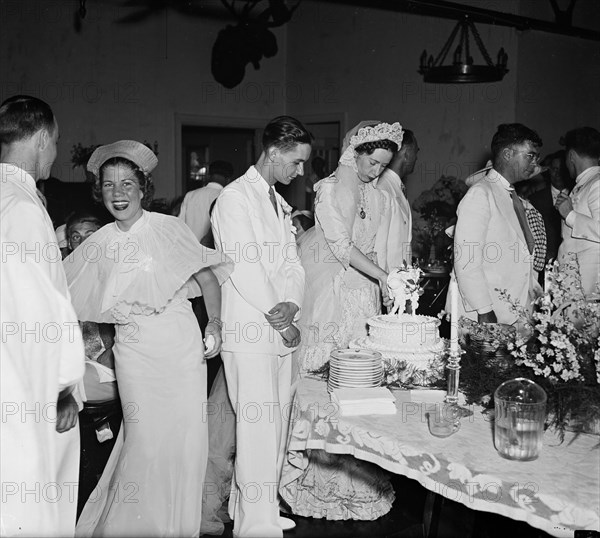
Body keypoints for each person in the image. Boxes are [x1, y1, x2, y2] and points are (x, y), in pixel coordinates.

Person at [66, 140, 232, 537]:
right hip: (134, 354)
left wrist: (216, 324)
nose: (118, 193)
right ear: (99, 191)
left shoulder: (169, 229)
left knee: (185, 443)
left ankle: (179, 528)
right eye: (108, 185)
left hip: (179, 348)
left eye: (127, 183)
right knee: (145, 442)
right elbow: (62, 291)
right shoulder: (99, 242)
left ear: (143, 187)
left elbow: (207, 278)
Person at [210, 116, 309, 538]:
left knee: (276, 424)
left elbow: (292, 262)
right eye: (297, 161)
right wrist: (280, 317)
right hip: (252, 330)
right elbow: (245, 268)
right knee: (256, 428)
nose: (301, 171)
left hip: (278, 324)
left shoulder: (275, 199)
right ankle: (254, 526)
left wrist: (293, 304)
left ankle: (259, 508)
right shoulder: (234, 199)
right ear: (272, 153)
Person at [0, 95, 85, 536]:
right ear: (40, 138)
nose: (53, 152)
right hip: (25, 378)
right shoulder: (24, 207)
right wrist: (64, 384)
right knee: (35, 498)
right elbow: (43, 306)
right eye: (54, 142)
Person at [295, 120, 403, 374]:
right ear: (355, 154)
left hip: (366, 290)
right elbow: (341, 245)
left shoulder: (380, 196)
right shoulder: (329, 190)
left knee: (361, 370)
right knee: (324, 368)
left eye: (384, 166)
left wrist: (388, 282)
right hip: (333, 290)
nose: (377, 171)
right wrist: (381, 275)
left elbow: (379, 247)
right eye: (372, 163)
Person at [452, 123, 543, 324]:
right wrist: (485, 311)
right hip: (485, 315)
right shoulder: (480, 193)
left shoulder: (513, 197)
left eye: (537, 157)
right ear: (507, 154)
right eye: (530, 155)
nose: (535, 163)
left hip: (516, 314)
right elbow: (467, 259)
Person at [556, 127, 600, 297]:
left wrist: (570, 215)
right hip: (575, 282)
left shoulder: (597, 183)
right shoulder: (584, 184)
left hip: (589, 285)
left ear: (571, 156)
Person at [377, 128, 419, 265]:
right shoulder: (383, 188)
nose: (417, 157)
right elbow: (378, 248)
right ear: (406, 153)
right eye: (416, 151)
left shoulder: (396, 186)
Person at [529, 150, 570, 275]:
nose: (557, 173)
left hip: (571, 264)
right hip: (543, 267)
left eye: (561, 169)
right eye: (554, 169)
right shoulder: (534, 199)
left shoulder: (577, 196)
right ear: (548, 171)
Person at [179, 159, 234, 243]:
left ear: (209, 176)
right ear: (228, 179)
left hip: (190, 250)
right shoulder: (225, 197)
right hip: (212, 253)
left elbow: (180, 225)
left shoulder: (190, 195)